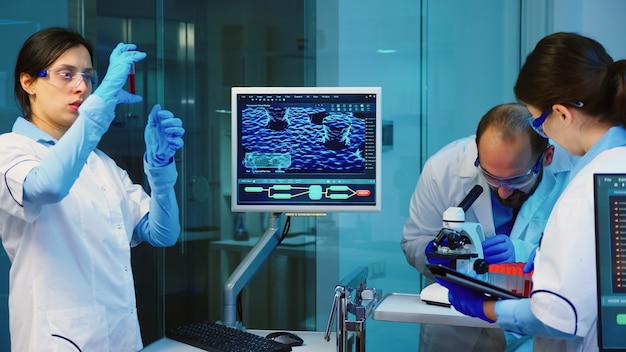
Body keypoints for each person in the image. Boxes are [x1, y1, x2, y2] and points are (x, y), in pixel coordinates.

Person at [437, 32, 626, 352]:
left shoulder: (587, 188)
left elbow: (556, 316)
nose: (542, 133)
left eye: (539, 123)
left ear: (563, 114)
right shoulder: (614, 166)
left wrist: (483, 307)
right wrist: (540, 265)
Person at [0, 27, 185, 351]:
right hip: (56, 339)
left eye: (88, 75)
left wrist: (160, 170)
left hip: (121, 336)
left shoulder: (100, 164)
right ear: (27, 82)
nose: (81, 86)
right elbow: (49, 186)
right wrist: (101, 102)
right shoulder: (10, 150)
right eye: (66, 74)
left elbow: (162, 233)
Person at [401, 103, 576, 351]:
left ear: (546, 157)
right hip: (455, 328)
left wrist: (523, 253)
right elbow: (413, 242)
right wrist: (438, 255)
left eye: (517, 179)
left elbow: (584, 261)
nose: (503, 190)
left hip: (534, 330)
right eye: (491, 177)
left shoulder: (576, 173)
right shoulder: (442, 169)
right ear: (477, 155)